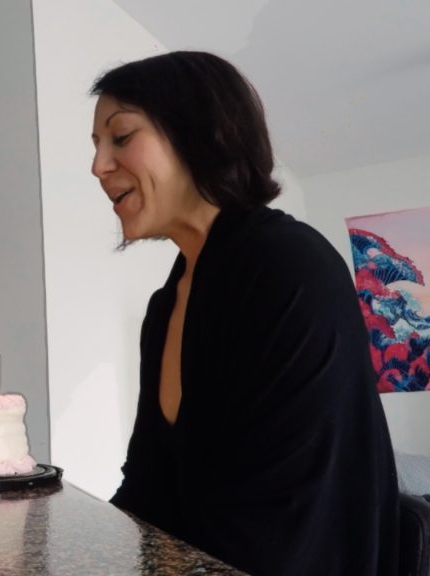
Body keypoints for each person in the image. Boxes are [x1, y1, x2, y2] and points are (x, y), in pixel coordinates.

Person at [90, 51, 398, 575]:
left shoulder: (289, 268)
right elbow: (147, 490)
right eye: (97, 147)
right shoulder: (165, 308)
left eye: (121, 137)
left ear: (200, 134)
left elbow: (286, 527)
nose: (98, 166)